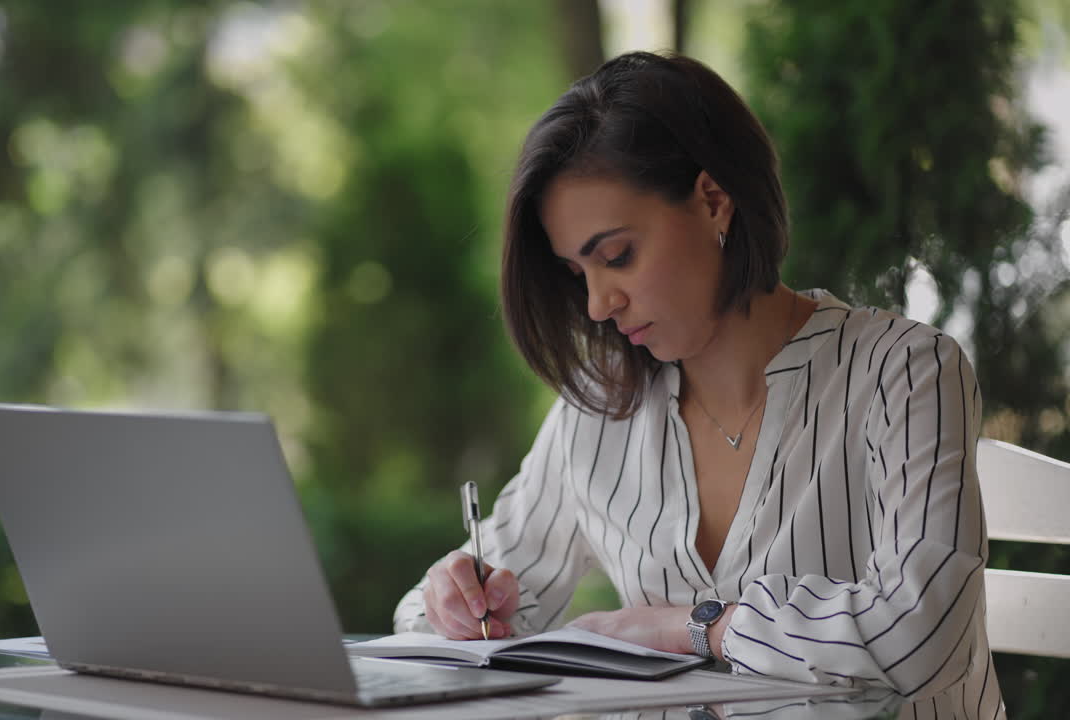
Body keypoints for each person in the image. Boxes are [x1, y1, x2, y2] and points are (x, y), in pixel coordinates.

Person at [393, 51, 1004, 718]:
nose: (598, 303)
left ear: (715, 202)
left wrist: (696, 625)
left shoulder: (905, 372)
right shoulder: (600, 408)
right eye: (577, 273)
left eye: (617, 256)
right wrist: (458, 602)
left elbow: (920, 635)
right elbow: (442, 625)